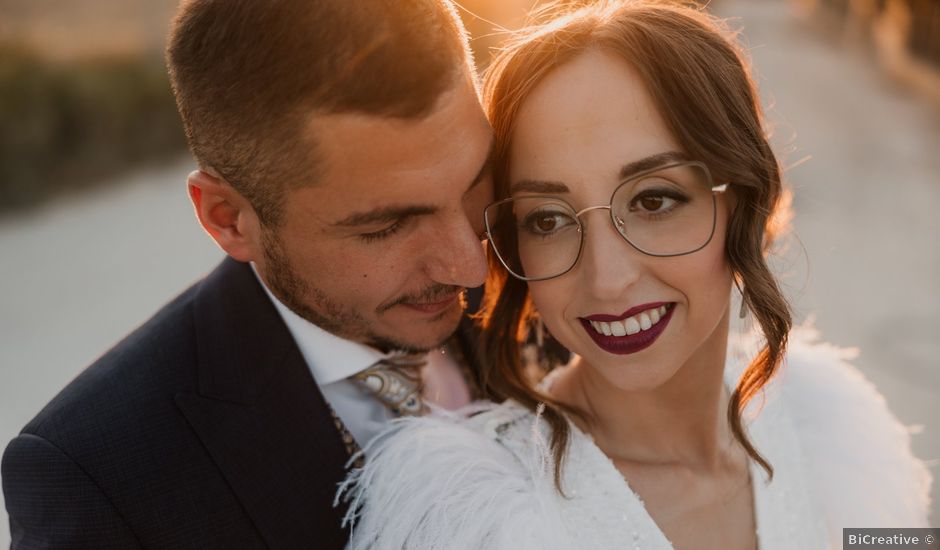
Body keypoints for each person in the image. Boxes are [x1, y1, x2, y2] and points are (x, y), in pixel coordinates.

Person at [339, 2, 933, 549]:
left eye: (652, 202)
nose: (608, 279)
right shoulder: (473, 519)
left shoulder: (834, 430)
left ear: (743, 201)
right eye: (548, 218)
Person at [1, 1, 493, 548]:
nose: (470, 265)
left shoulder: (555, 289)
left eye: (476, 181)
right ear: (228, 219)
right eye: (386, 225)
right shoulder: (98, 480)